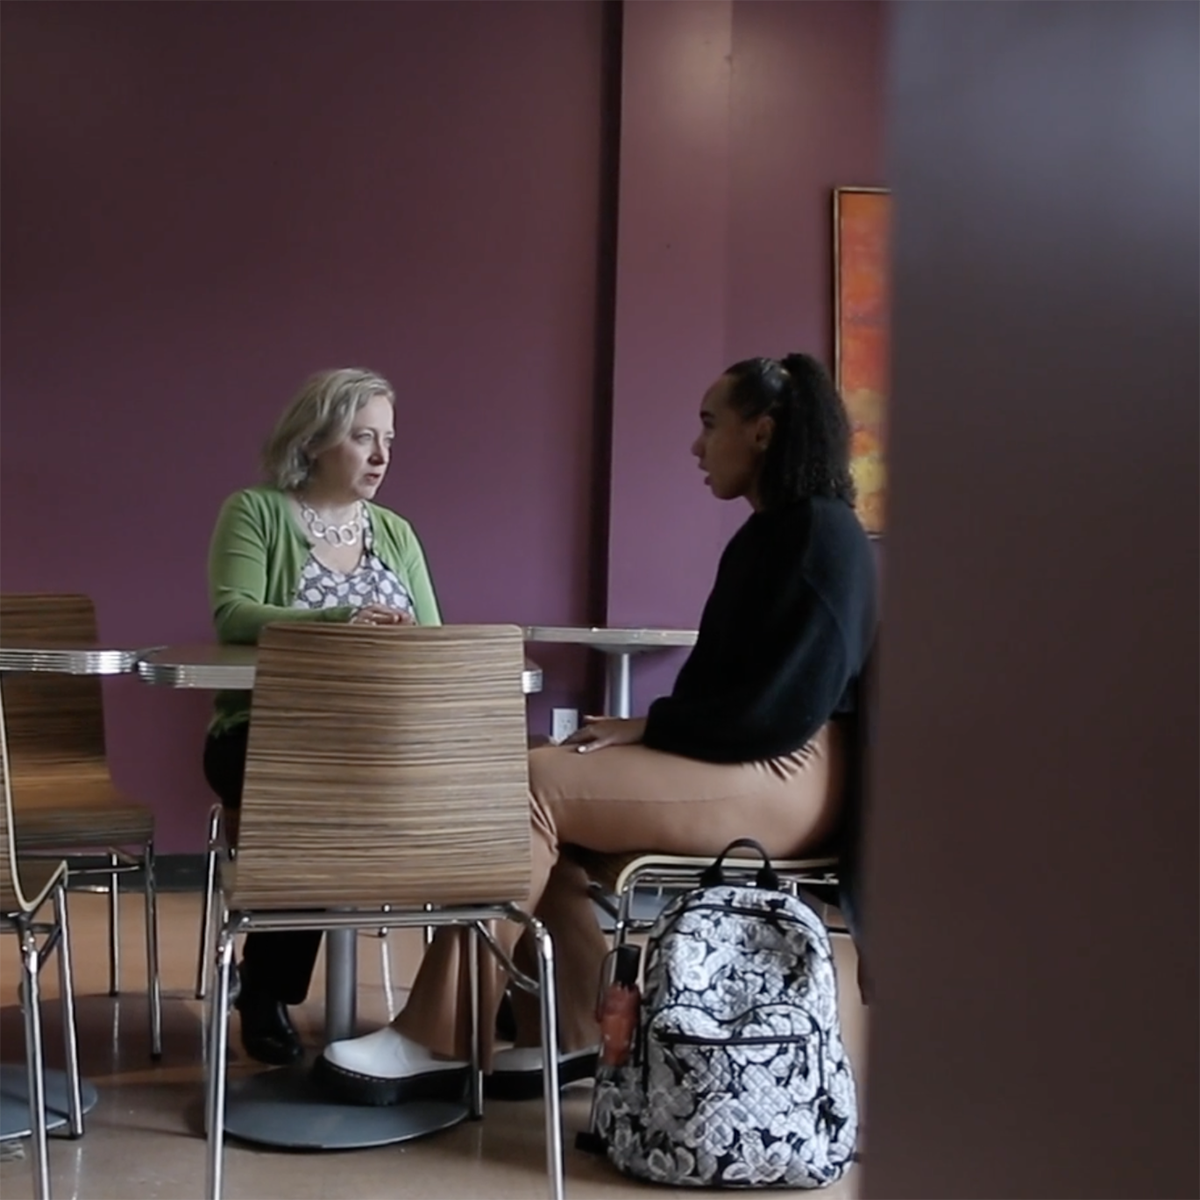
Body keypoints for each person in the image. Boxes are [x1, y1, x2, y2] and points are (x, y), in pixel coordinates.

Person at [318, 352, 877, 1102]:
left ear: (765, 433)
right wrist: (640, 728)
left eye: (711, 425)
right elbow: (739, 702)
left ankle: (438, 1036)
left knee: (532, 785)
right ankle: (573, 1031)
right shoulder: (778, 532)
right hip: (768, 760)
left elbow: (775, 713)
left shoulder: (816, 536)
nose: (696, 445)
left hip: (790, 772)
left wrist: (651, 730)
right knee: (546, 763)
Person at [203, 367, 441, 1065]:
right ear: (312, 439)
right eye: (363, 435)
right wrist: (341, 618)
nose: (381, 454)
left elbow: (432, 640)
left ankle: (480, 999)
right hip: (266, 734)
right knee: (319, 791)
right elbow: (234, 613)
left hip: (381, 740)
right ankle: (267, 988)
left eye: (388, 438)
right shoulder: (255, 511)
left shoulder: (395, 531)